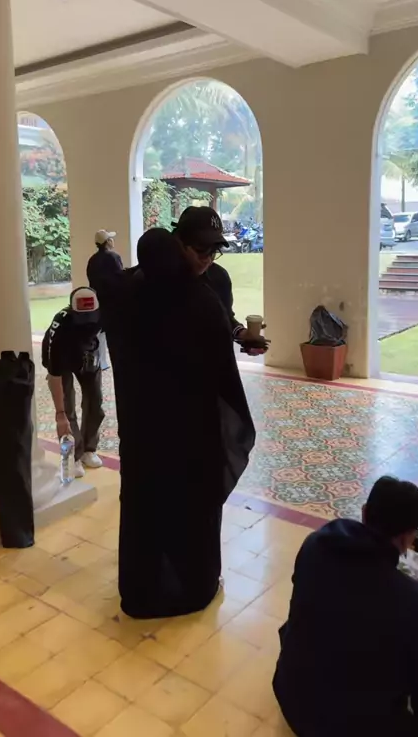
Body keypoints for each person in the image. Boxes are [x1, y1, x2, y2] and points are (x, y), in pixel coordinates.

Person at [114, 228, 255, 619]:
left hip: (143, 431)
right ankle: (193, 587)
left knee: (145, 509)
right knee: (191, 509)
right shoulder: (199, 301)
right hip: (190, 431)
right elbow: (221, 373)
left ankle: (141, 590)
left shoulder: (128, 299)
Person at [273, 476, 418, 737]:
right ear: (408, 537)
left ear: (364, 512)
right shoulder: (414, 600)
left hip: (292, 697)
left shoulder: (314, 544)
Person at [172, 207, 268, 356]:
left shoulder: (219, 278)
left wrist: (243, 335)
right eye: (201, 249)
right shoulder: (159, 281)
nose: (207, 259)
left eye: (213, 251)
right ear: (180, 243)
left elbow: (226, 319)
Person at [42, 287, 104, 477]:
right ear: (72, 310)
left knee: (95, 402)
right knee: (67, 407)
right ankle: (73, 456)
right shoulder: (60, 327)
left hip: (88, 354)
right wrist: (59, 414)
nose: (87, 324)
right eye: (82, 318)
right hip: (62, 358)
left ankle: (88, 450)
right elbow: (55, 376)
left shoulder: (105, 314)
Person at [87, 229, 124, 371]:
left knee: (100, 332)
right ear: (107, 242)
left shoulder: (92, 260)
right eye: (110, 238)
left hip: (98, 301)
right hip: (112, 303)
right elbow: (120, 279)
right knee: (113, 336)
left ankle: (101, 361)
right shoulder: (114, 257)